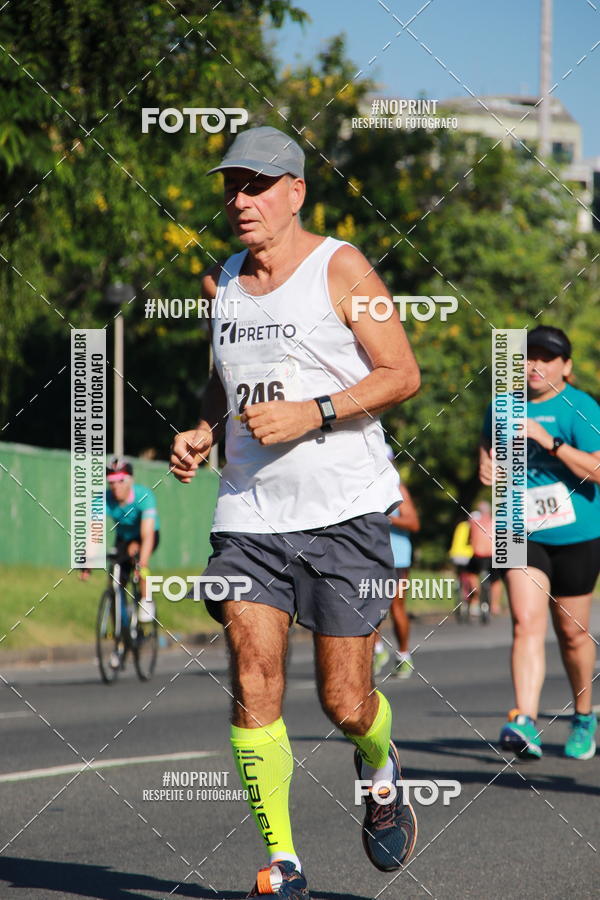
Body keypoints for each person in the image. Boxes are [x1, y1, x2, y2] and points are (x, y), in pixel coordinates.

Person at [170, 125, 421, 897]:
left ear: (294, 192)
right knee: (254, 676)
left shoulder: (339, 267)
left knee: (344, 699)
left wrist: (314, 411)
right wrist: (203, 430)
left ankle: (380, 769)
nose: (239, 200)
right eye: (230, 187)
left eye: (255, 185)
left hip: (345, 512)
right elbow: (225, 380)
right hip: (250, 514)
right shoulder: (224, 280)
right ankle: (284, 858)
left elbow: (401, 372)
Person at [480, 325, 600, 760]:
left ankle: (584, 714)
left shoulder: (582, 408)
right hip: (517, 526)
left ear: (566, 366)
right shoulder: (501, 405)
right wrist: (485, 466)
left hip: (576, 532)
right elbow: (488, 444)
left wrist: (547, 440)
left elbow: (597, 471)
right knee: (525, 622)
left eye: (546, 358)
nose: (534, 365)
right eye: (528, 357)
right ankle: (524, 720)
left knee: (572, 633)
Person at [373, 445, 420, 678]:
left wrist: (388, 520)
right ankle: (377, 650)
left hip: (397, 557)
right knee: (369, 604)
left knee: (396, 607)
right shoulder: (366, 489)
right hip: (371, 554)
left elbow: (414, 523)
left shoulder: (397, 489)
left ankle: (403, 654)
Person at [105, 457, 160, 625]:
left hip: (147, 534)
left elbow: (147, 534)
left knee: (139, 563)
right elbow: (94, 532)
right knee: (115, 579)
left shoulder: (144, 496)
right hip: (123, 537)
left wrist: (141, 562)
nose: (116, 486)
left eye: (121, 481)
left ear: (130, 481)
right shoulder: (104, 498)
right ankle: (121, 626)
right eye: (111, 482)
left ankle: (145, 599)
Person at [466, 501, 502, 617]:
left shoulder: (474, 522)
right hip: (493, 556)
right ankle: (495, 606)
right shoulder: (496, 523)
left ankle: (475, 601)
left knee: (471, 574)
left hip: (478, 556)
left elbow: (469, 538)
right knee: (496, 581)